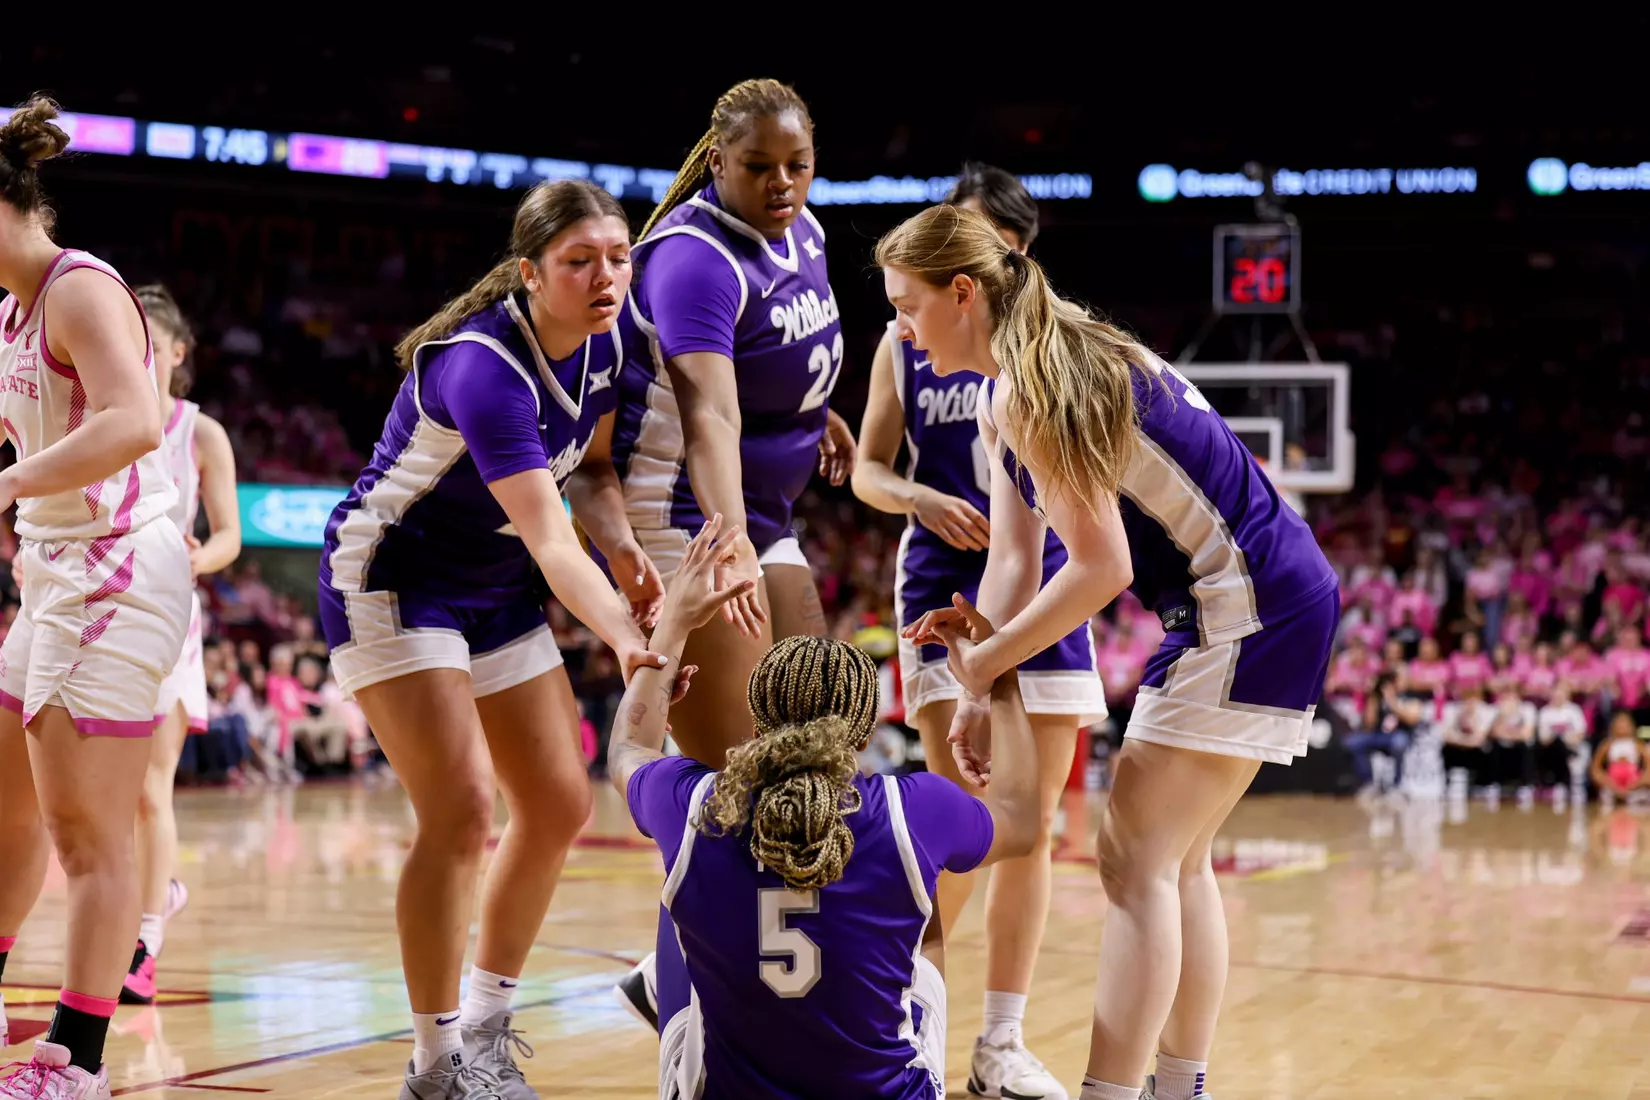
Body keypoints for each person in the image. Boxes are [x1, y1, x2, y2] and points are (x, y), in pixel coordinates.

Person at [882, 205, 1339, 1100]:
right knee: (1175, 858)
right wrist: (979, 684)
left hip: (1242, 599)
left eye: (907, 305)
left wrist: (983, 664)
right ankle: (1176, 1086)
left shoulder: (1033, 386)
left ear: (962, 293)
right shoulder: (1018, 380)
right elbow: (1013, 559)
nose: (900, 327)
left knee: (1133, 860)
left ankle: (1117, 1092)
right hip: (1268, 590)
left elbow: (1099, 569)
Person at [318, 179, 672, 1100]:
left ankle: (483, 1034)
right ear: (529, 272)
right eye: (579, 261)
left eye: (618, 256)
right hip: (395, 578)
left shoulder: (614, 340)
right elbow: (552, 536)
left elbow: (590, 474)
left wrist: (626, 546)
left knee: (557, 802)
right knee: (464, 813)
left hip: (494, 583)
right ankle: (433, 1066)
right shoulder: (484, 367)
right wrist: (628, 637)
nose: (606, 276)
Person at [607, 515, 1044, 1098]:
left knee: (680, 868)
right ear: (863, 735)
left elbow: (628, 750)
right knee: (922, 891)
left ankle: (660, 988)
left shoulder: (694, 803)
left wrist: (675, 626)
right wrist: (998, 678)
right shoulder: (913, 807)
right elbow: (1021, 819)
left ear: (757, 717)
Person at [605, 77, 856, 1023]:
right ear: (719, 163)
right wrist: (733, 545)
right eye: (760, 167)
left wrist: (813, 408)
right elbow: (708, 411)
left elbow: (776, 354)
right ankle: (699, 990)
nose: (784, 181)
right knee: (740, 773)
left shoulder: (808, 230)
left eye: (799, 164)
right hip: (689, 512)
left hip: (767, 508)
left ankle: (662, 971)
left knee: (821, 730)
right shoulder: (692, 260)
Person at [852, 163, 1101, 1099]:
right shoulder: (901, 339)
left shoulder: (1048, 350)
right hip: (946, 586)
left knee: (1031, 834)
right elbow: (869, 472)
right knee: (960, 825)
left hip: (1048, 588)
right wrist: (917, 493)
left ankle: (1000, 1045)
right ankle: (913, 1026)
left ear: (1012, 256)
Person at [0, 97, 193, 1099]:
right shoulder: (10, 306)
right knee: (8, 806)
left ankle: (73, 1053)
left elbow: (133, 419)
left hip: (118, 565)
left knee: (89, 828)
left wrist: (9, 484)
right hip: (53, 567)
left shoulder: (81, 288)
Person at [117, 284, 241, 1006]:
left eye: (149, 344)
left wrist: (199, 559)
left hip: (167, 610)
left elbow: (227, 534)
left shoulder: (201, 432)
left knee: (148, 788)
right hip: (98, 606)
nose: (135, 356)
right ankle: (154, 892)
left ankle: (144, 946)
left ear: (176, 352)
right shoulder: (102, 416)